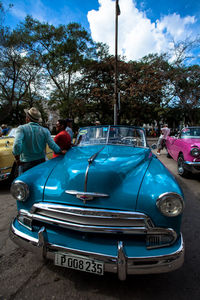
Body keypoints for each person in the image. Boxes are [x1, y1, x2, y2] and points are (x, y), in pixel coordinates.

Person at [13, 107, 66, 174]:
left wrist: (17, 159)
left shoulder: (21, 128)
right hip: (41, 161)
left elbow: (17, 145)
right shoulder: (45, 130)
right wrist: (60, 151)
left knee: (26, 183)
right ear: (37, 120)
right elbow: (52, 145)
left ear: (28, 118)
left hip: (26, 162)